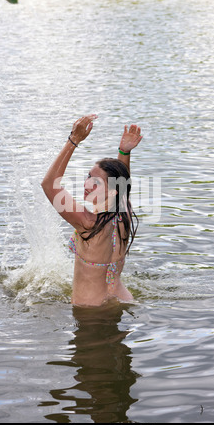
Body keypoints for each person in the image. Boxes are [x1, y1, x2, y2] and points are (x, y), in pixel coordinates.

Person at [41, 115, 142, 306]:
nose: (87, 184)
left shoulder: (89, 224)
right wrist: (124, 152)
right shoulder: (123, 215)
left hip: (91, 313)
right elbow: (121, 184)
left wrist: (73, 140)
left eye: (95, 182)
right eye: (88, 176)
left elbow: (48, 184)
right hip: (122, 300)